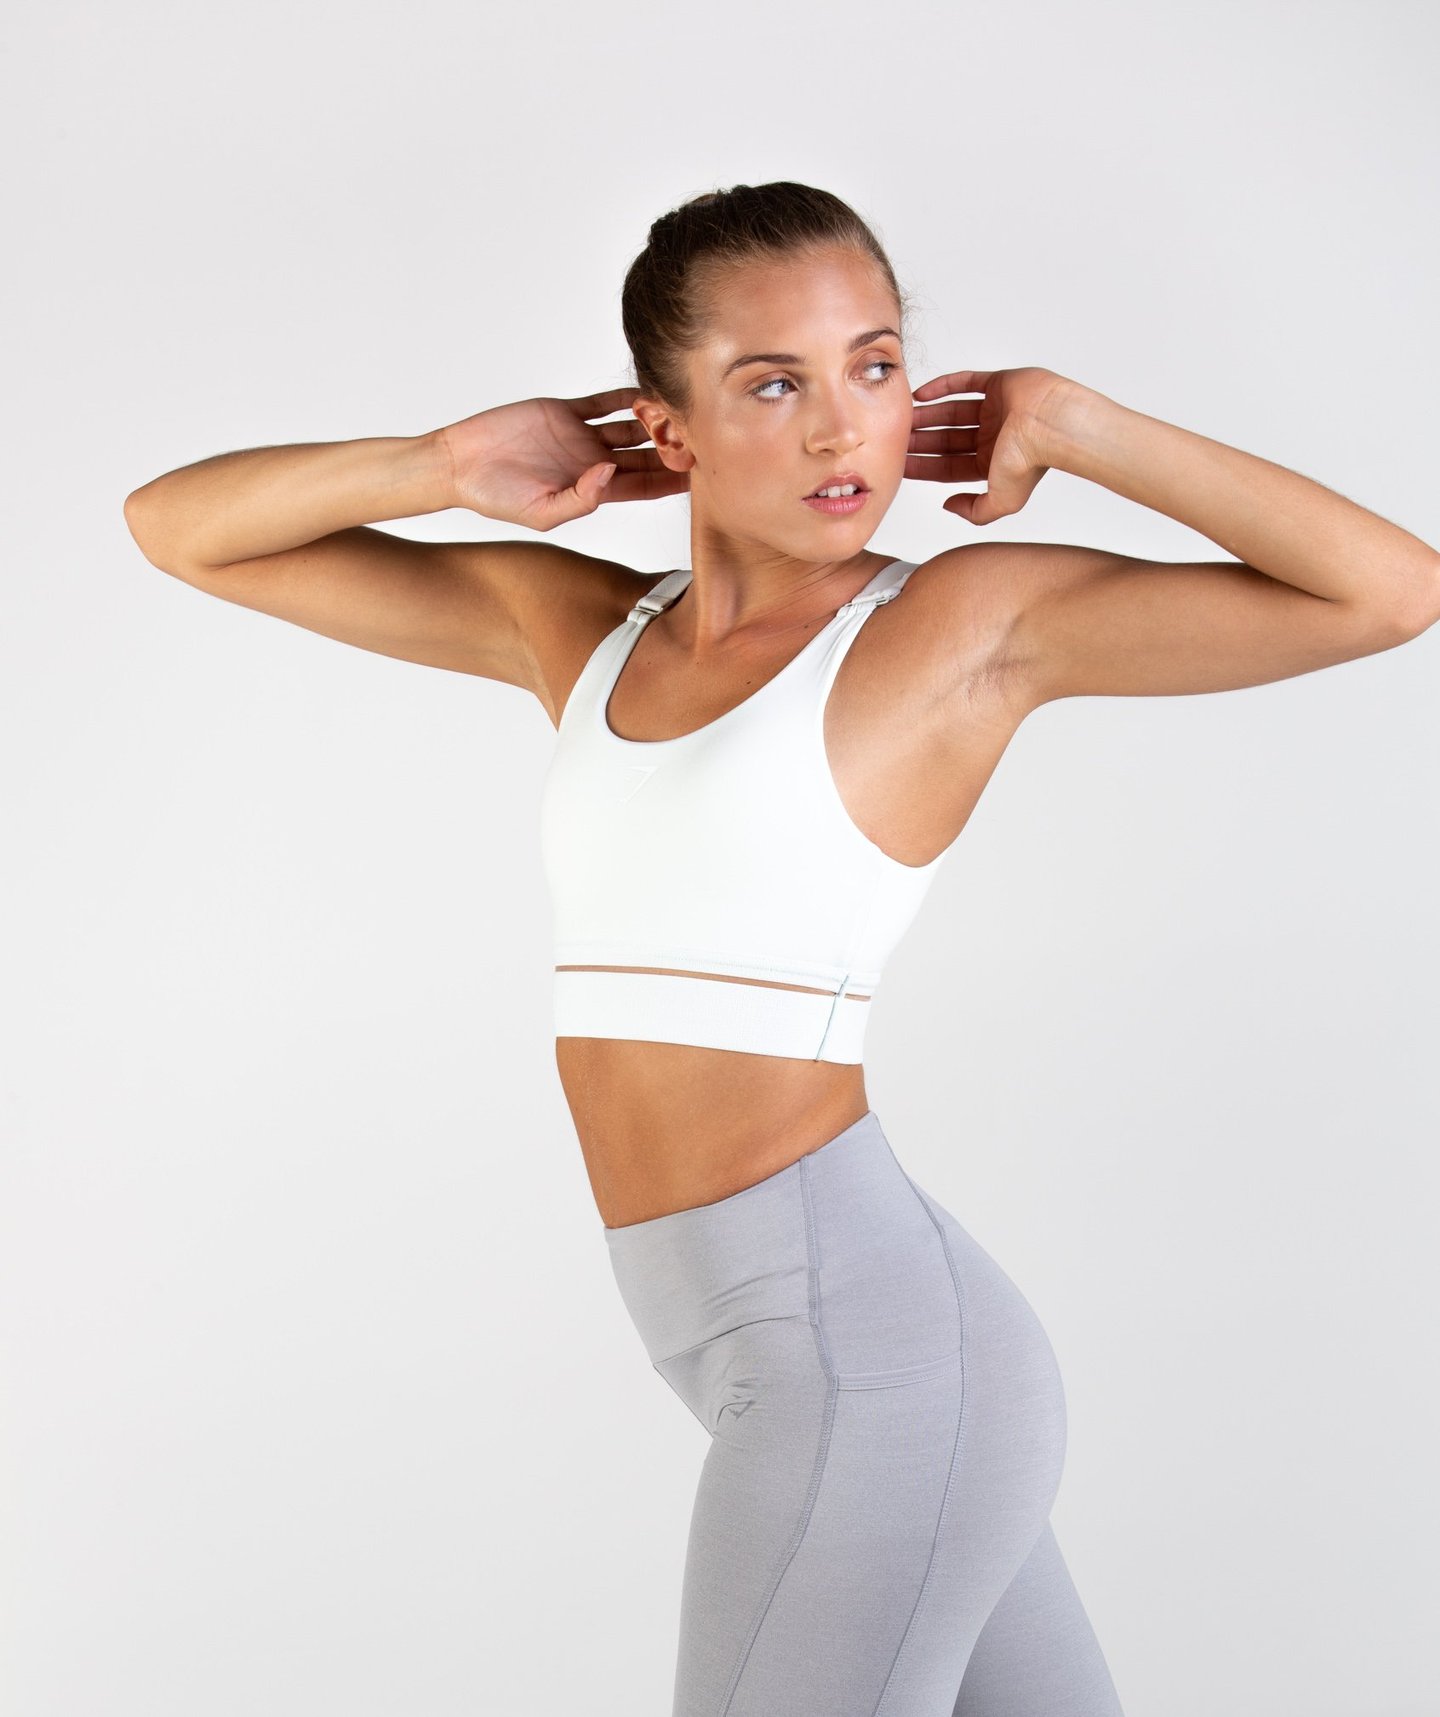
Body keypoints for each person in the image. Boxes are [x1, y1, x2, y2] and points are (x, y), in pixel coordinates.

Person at [122, 180, 1439, 1716]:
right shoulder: (587, 631)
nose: (841, 428)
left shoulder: (957, 629)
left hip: (863, 1359)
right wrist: (440, 463)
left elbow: (1392, 590)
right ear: (665, 429)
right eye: (772, 384)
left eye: (875, 366)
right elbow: (179, 531)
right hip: (778, 1347)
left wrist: (1074, 423)